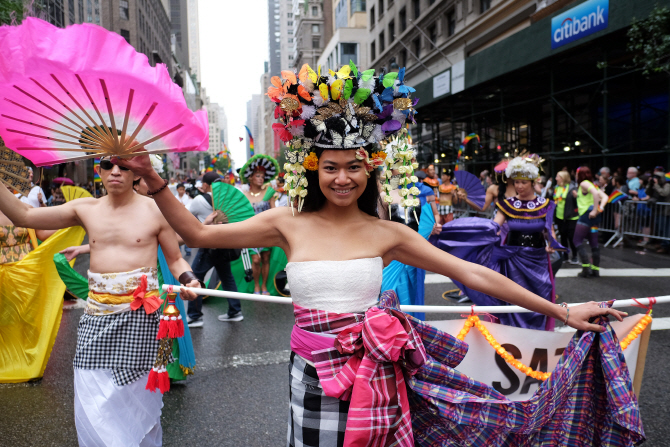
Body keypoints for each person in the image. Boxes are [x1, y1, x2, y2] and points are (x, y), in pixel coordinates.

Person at [116, 64, 640, 446]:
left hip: (378, 369)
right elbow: (197, 235)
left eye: (353, 166)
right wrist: (155, 178)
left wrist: (562, 312)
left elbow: (472, 271)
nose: (341, 178)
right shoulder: (284, 223)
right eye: (330, 167)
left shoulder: (387, 232)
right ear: (312, 171)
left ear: (369, 171)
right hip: (311, 375)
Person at [0, 155, 200, 446]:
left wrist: (190, 280)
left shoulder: (157, 210)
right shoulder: (85, 208)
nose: (115, 171)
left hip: (142, 320)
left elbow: (176, 259)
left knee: (138, 402)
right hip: (96, 317)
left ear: (136, 173)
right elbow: (25, 217)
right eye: (108, 165)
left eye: (124, 165)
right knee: (92, 397)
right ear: (99, 171)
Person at [435, 155, 563, 330]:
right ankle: (514, 333)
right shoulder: (508, 204)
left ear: (533, 182)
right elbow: (493, 225)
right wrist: (458, 231)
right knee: (513, 298)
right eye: (516, 182)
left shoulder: (546, 204)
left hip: (538, 259)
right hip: (513, 259)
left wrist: (552, 244)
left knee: (540, 296)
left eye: (523, 182)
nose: (518, 186)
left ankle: (538, 335)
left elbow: (549, 230)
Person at [186, 170, 242, 326]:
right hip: (226, 243)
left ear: (205, 185)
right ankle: (235, 311)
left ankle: (195, 315)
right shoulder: (228, 199)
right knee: (227, 277)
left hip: (209, 245)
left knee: (195, 278)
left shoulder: (199, 200)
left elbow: (187, 217)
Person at [240, 154, 279, 295]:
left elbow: (274, 212)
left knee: (265, 258)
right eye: (257, 175)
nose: (261, 178)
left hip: (266, 231)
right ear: (250, 177)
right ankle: (256, 285)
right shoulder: (243, 195)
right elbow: (240, 214)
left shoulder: (269, 192)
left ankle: (264, 286)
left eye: (262, 176)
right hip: (251, 232)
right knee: (256, 260)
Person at [573, 166, 609, 278]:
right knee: (594, 243)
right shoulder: (590, 184)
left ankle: (586, 268)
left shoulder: (584, 183)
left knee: (577, 241)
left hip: (586, 216)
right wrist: (600, 209)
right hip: (594, 217)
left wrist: (595, 209)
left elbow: (594, 192)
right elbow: (605, 197)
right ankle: (595, 269)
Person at [553, 170, 579, 264]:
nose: (556, 178)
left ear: (563, 178)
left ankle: (575, 256)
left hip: (571, 217)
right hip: (560, 217)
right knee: (563, 237)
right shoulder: (556, 187)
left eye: (557, 176)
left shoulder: (572, 188)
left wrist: (576, 196)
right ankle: (565, 256)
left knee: (571, 237)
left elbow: (578, 201)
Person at [175, 182, 193, 256]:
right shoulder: (175, 197)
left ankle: (188, 249)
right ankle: (177, 249)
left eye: (183, 189)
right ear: (177, 190)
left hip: (186, 218)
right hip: (177, 219)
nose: (182, 191)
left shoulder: (188, 198)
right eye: (180, 189)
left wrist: (183, 206)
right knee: (177, 234)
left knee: (186, 234)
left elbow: (190, 207)